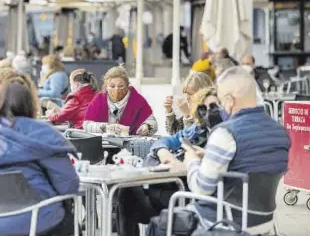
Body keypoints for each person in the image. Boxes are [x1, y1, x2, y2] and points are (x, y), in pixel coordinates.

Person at [0, 72, 79, 236]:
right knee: (67, 212)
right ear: (31, 104)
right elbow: (69, 186)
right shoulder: (44, 135)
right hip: (33, 221)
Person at [177, 66, 290, 233]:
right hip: (265, 223)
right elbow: (252, 162)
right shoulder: (281, 133)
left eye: (221, 102)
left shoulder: (225, 133)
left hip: (222, 223)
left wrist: (192, 161)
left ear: (229, 101)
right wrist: (209, 155)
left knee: (163, 220)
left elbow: (201, 187)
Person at [117, 87, 227, 236]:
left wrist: (194, 161)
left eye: (213, 107)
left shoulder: (226, 135)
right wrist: (165, 154)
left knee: (131, 197)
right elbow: (165, 140)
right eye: (203, 108)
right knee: (126, 189)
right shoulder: (198, 129)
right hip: (171, 185)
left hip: (189, 194)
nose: (208, 112)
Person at [83, 65, 157, 136]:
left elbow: (152, 122)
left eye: (121, 86)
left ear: (127, 86)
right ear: (106, 87)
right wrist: (105, 127)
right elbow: (86, 124)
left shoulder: (137, 100)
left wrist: (147, 127)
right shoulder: (99, 100)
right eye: (112, 86)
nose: (116, 89)